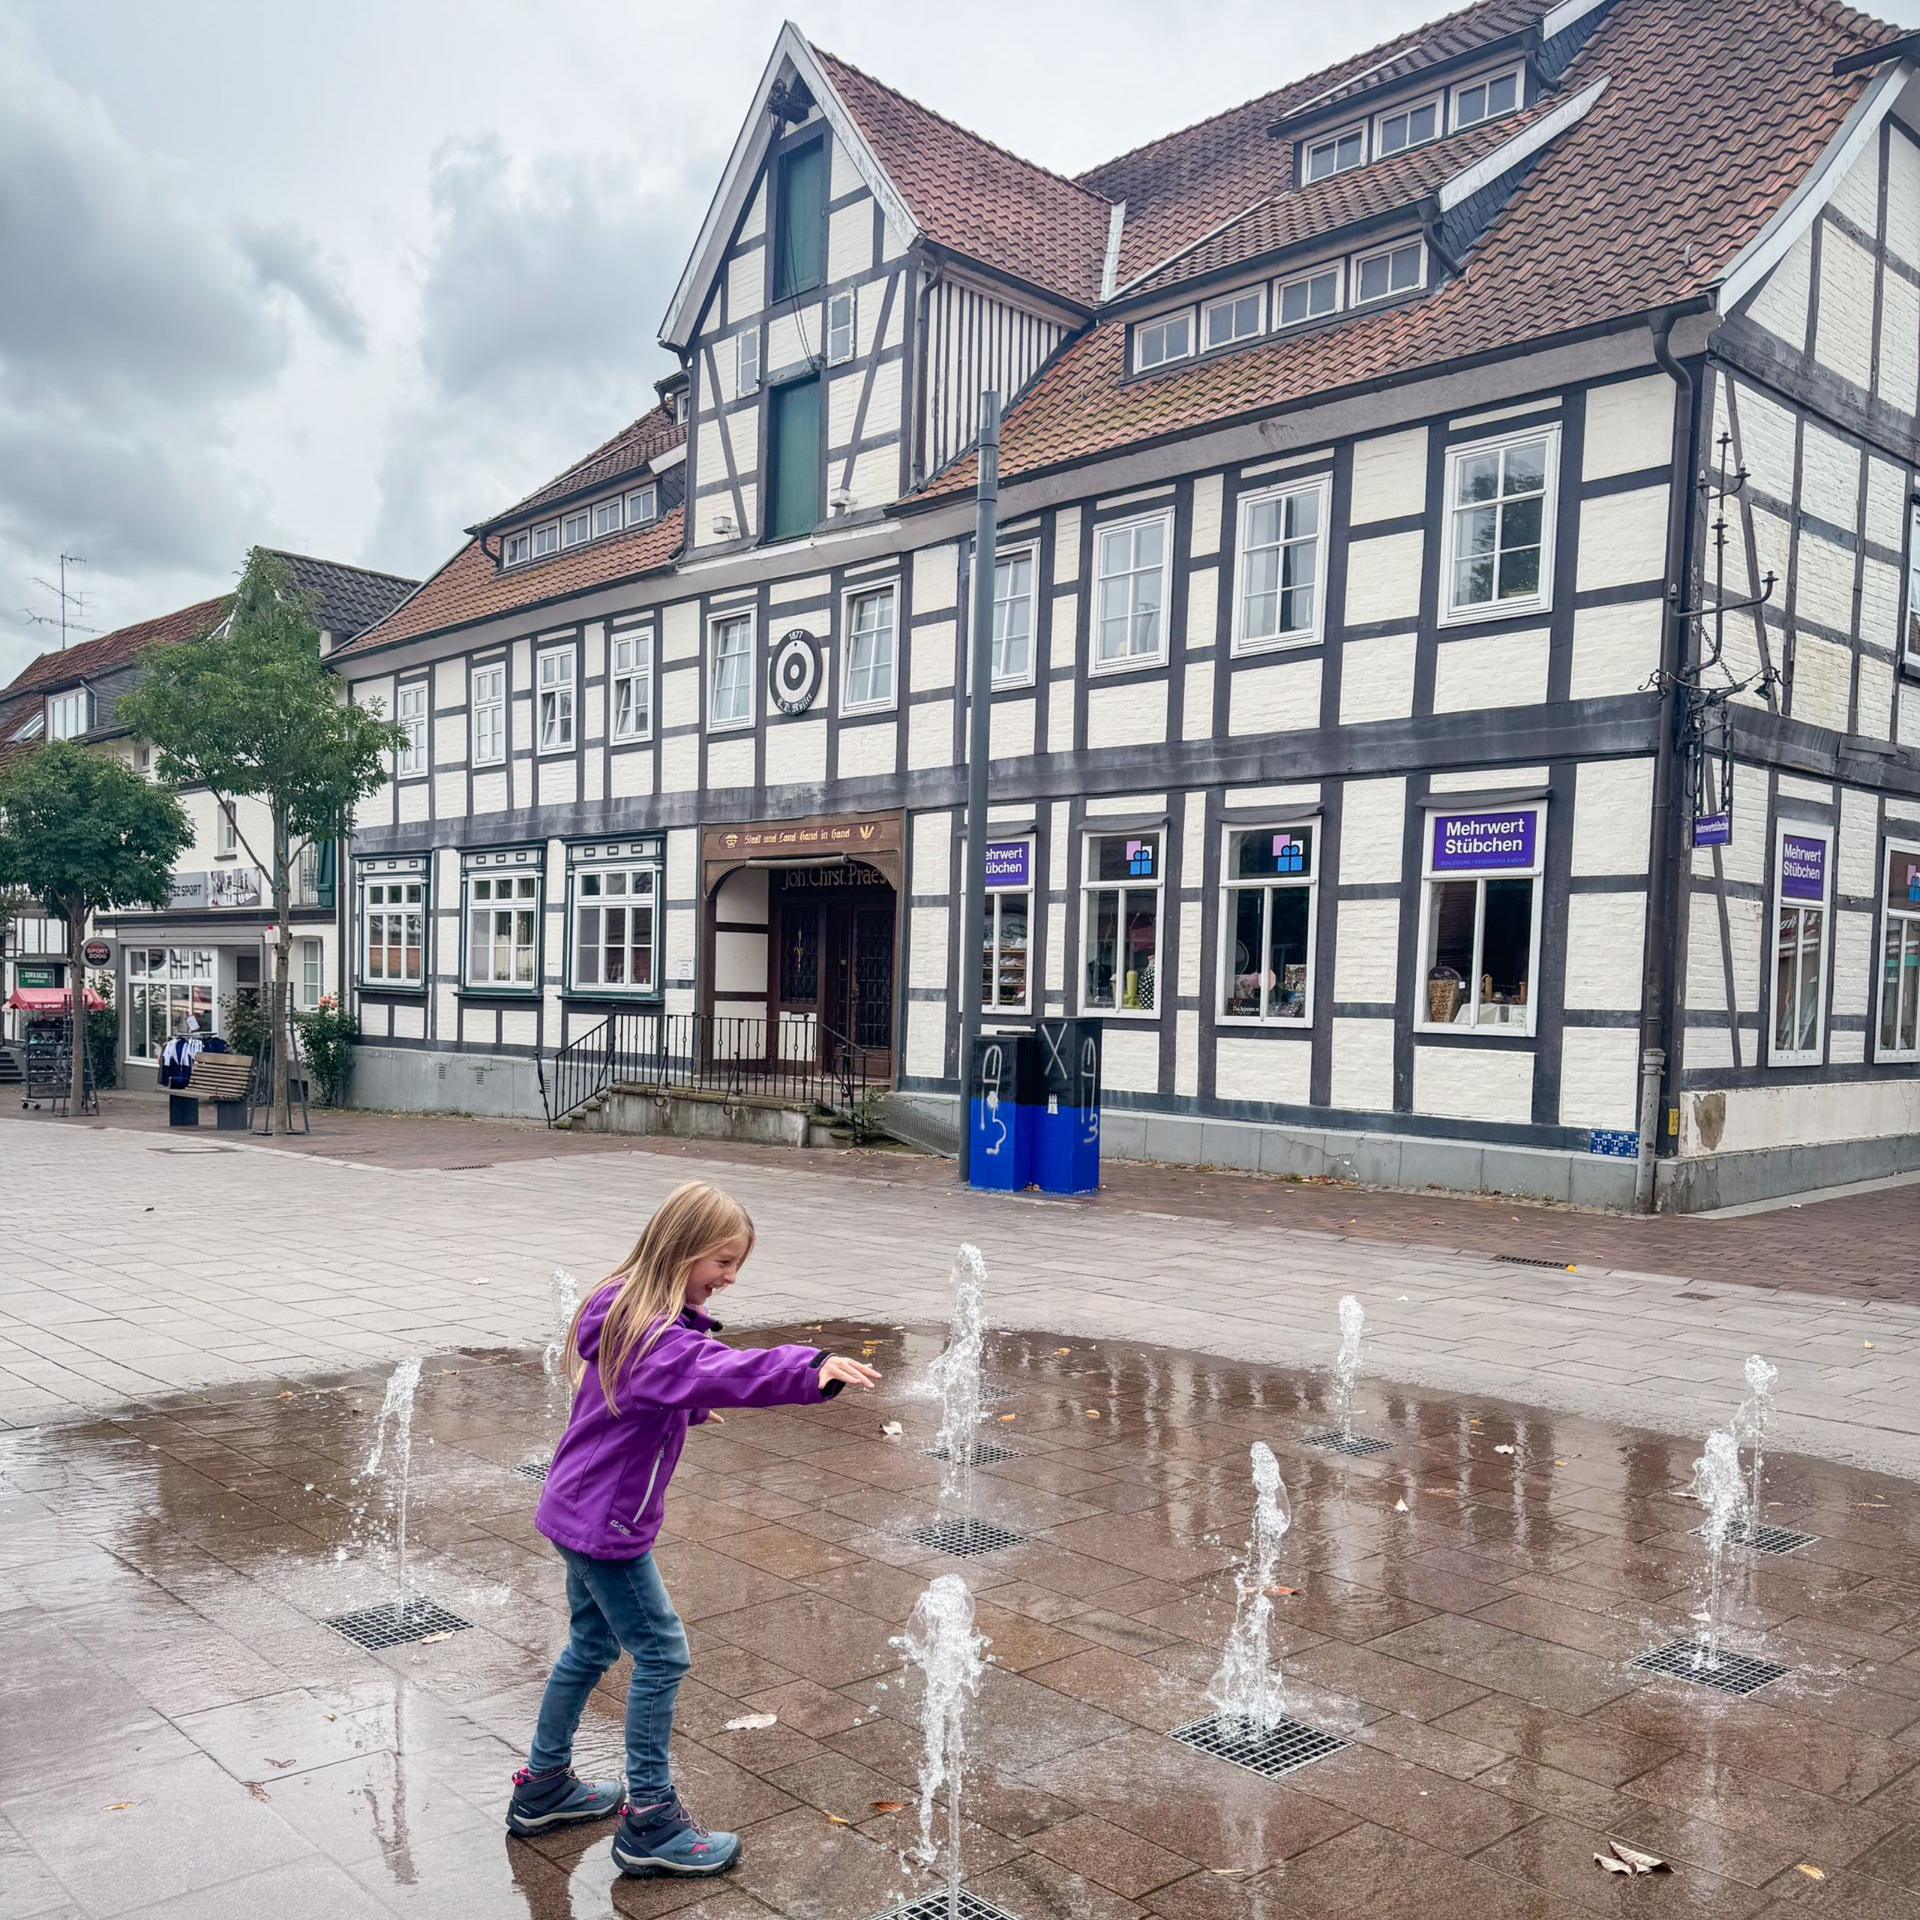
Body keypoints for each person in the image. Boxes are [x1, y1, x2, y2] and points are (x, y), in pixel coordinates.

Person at [506, 1180, 879, 1876]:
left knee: (591, 1644)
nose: (730, 1278)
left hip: (578, 1507)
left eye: (737, 1264)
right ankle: (649, 1821)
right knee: (662, 1654)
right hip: (607, 1523)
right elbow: (720, 1368)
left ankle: (545, 1787)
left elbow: (655, 1387)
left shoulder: (628, 1307)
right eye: (722, 1261)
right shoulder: (651, 1331)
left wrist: (682, 1409)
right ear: (679, 1251)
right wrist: (811, 1367)